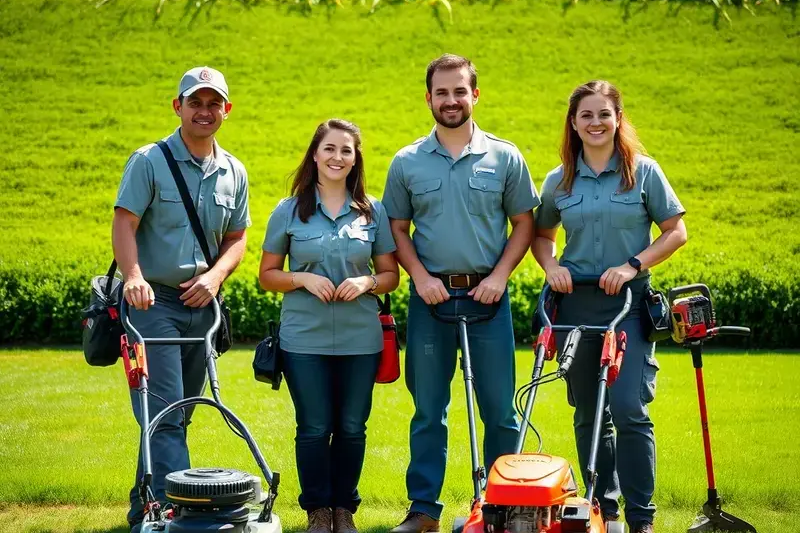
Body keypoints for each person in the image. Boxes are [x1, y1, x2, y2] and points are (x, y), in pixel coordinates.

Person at [382, 54, 539, 533]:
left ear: (475, 94)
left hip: (488, 300)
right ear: (428, 97)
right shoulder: (407, 161)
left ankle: (503, 507)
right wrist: (420, 277)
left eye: (459, 91)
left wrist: (500, 277)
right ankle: (424, 511)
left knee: (499, 409)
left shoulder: (505, 156)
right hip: (430, 301)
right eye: (441, 92)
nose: (450, 100)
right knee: (429, 409)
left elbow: (525, 223)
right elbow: (397, 228)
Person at [532, 80, 688, 533]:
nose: (596, 123)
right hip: (575, 307)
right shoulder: (557, 180)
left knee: (628, 407)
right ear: (574, 123)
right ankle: (604, 506)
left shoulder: (644, 171)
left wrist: (632, 265)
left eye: (604, 114)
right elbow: (542, 237)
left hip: (627, 306)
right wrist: (551, 265)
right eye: (586, 116)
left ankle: (641, 517)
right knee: (588, 410)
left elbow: (675, 231)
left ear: (618, 118)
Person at [112, 66, 251, 532]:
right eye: (196, 102)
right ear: (179, 107)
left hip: (202, 306)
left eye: (214, 103)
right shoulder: (149, 161)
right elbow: (124, 223)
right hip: (152, 305)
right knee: (165, 412)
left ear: (226, 110)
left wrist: (214, 278)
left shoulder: (234, 170)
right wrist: (134, 278)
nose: (205, 111)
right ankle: (181, 517)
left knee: (175, 414)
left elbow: (238, 238)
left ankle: (144, 510)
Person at [259, 119, 399, 533]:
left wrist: (367, 281)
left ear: (355, 160)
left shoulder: (373, 211)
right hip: (304, 338)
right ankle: (318, 511)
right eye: (330, 149)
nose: (338, 157)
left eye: (346, 151)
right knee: (315, 426)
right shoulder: (288, 210)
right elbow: (267, 274)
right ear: (315, 155)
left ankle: (344, 509)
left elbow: (391, 274)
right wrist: (301, 278)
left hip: (361, 338)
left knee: (353, 427)